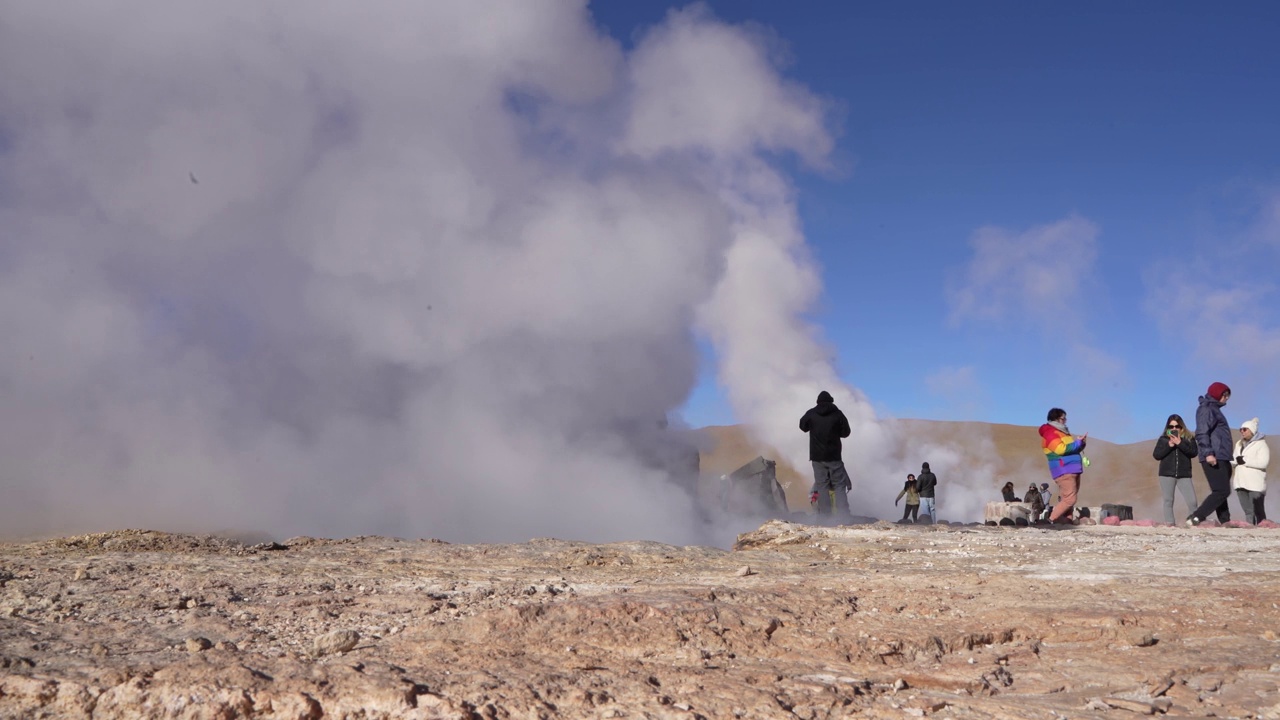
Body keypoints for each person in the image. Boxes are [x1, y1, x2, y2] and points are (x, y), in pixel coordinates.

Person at [799, 391, 852, 518]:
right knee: (839, 486)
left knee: (822, 486)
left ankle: (825, 518)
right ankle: (843, 516)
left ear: (818, 401)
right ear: (831, 400)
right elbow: (846, 432)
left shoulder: (811, 413)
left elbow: (802, 426)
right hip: (834, 456)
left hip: (817, 457)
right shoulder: (837, 413)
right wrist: (835, 432)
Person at [1189, 382, 1233, 526]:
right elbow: (1201, 433)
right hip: (1214, 455)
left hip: (1222, 455)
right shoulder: (1206, 409)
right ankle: (1196, 517)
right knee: (1222, 491)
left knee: (1221, 491)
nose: (1226, 398)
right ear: (1216, 393)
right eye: (1224, 394)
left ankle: (1225, 521)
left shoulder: (1215, 409)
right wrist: (1208, 453)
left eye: (1228, 395)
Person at [1039, 408, 1087, 524]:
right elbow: (1061, 449)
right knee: (1070, 498)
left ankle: (1066, 521)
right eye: (1063, 418)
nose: (1065, 420)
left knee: (1069, 497)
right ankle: (1050, 519)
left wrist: (1081, 443)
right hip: (1064, 469)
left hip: (1072, 469)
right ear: (1056, 419)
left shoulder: (1063, 433)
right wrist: (1077, 443)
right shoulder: (1050, 433)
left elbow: (1072, 449)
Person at [1152, 413, 1199, 525]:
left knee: (1192, 501)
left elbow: (1193, 453)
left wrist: (1180, 443)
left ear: (1182, 427)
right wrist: (1169, 445)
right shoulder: (1163, 439)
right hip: (1166, 474)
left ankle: (1191, 522)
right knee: (1168, 500)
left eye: (1177, 426)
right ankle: (1170, 523)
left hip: (1184, 474)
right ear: (1167, 428)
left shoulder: (1189, 438)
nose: (1174, 429)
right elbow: (1157, 455)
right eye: (1171, 427)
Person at [1231, 417, 1269, 525]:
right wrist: (1234, 461)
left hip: (1255, 484)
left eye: (1245, 429)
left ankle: (1264, 531)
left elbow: (1264, 462)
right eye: (1241, 429)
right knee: (1248, 510)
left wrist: (1244, 460)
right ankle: (1250, 530)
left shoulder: (1261, 444)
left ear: (1252, 430)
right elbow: (1235, 458)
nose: (1242, 432)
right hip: (1240, 482)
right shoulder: (1239, 444)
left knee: (1258, 511)